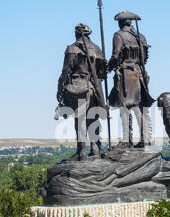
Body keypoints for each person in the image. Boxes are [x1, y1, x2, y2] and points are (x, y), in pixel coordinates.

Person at [56, 23, 107, 160]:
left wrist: (59, 89)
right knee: (93, 118)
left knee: (81, 119)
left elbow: (65, 72)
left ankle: (82, 151)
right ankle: (96, 147)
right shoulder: (97, 49)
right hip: (94, 88)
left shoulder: (72, 49)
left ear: (77, 34)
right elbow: (102, 73)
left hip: (78, 86)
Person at [108, 10, 154, 148]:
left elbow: (115, 56)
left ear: (120, 23)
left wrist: (108, 68)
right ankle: (145, 138)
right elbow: (145, 58)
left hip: (126, 75)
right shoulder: (141, 36)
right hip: (139, 73)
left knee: (125, 106)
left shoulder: (119, 35)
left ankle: (127, 139)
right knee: (138, 106)